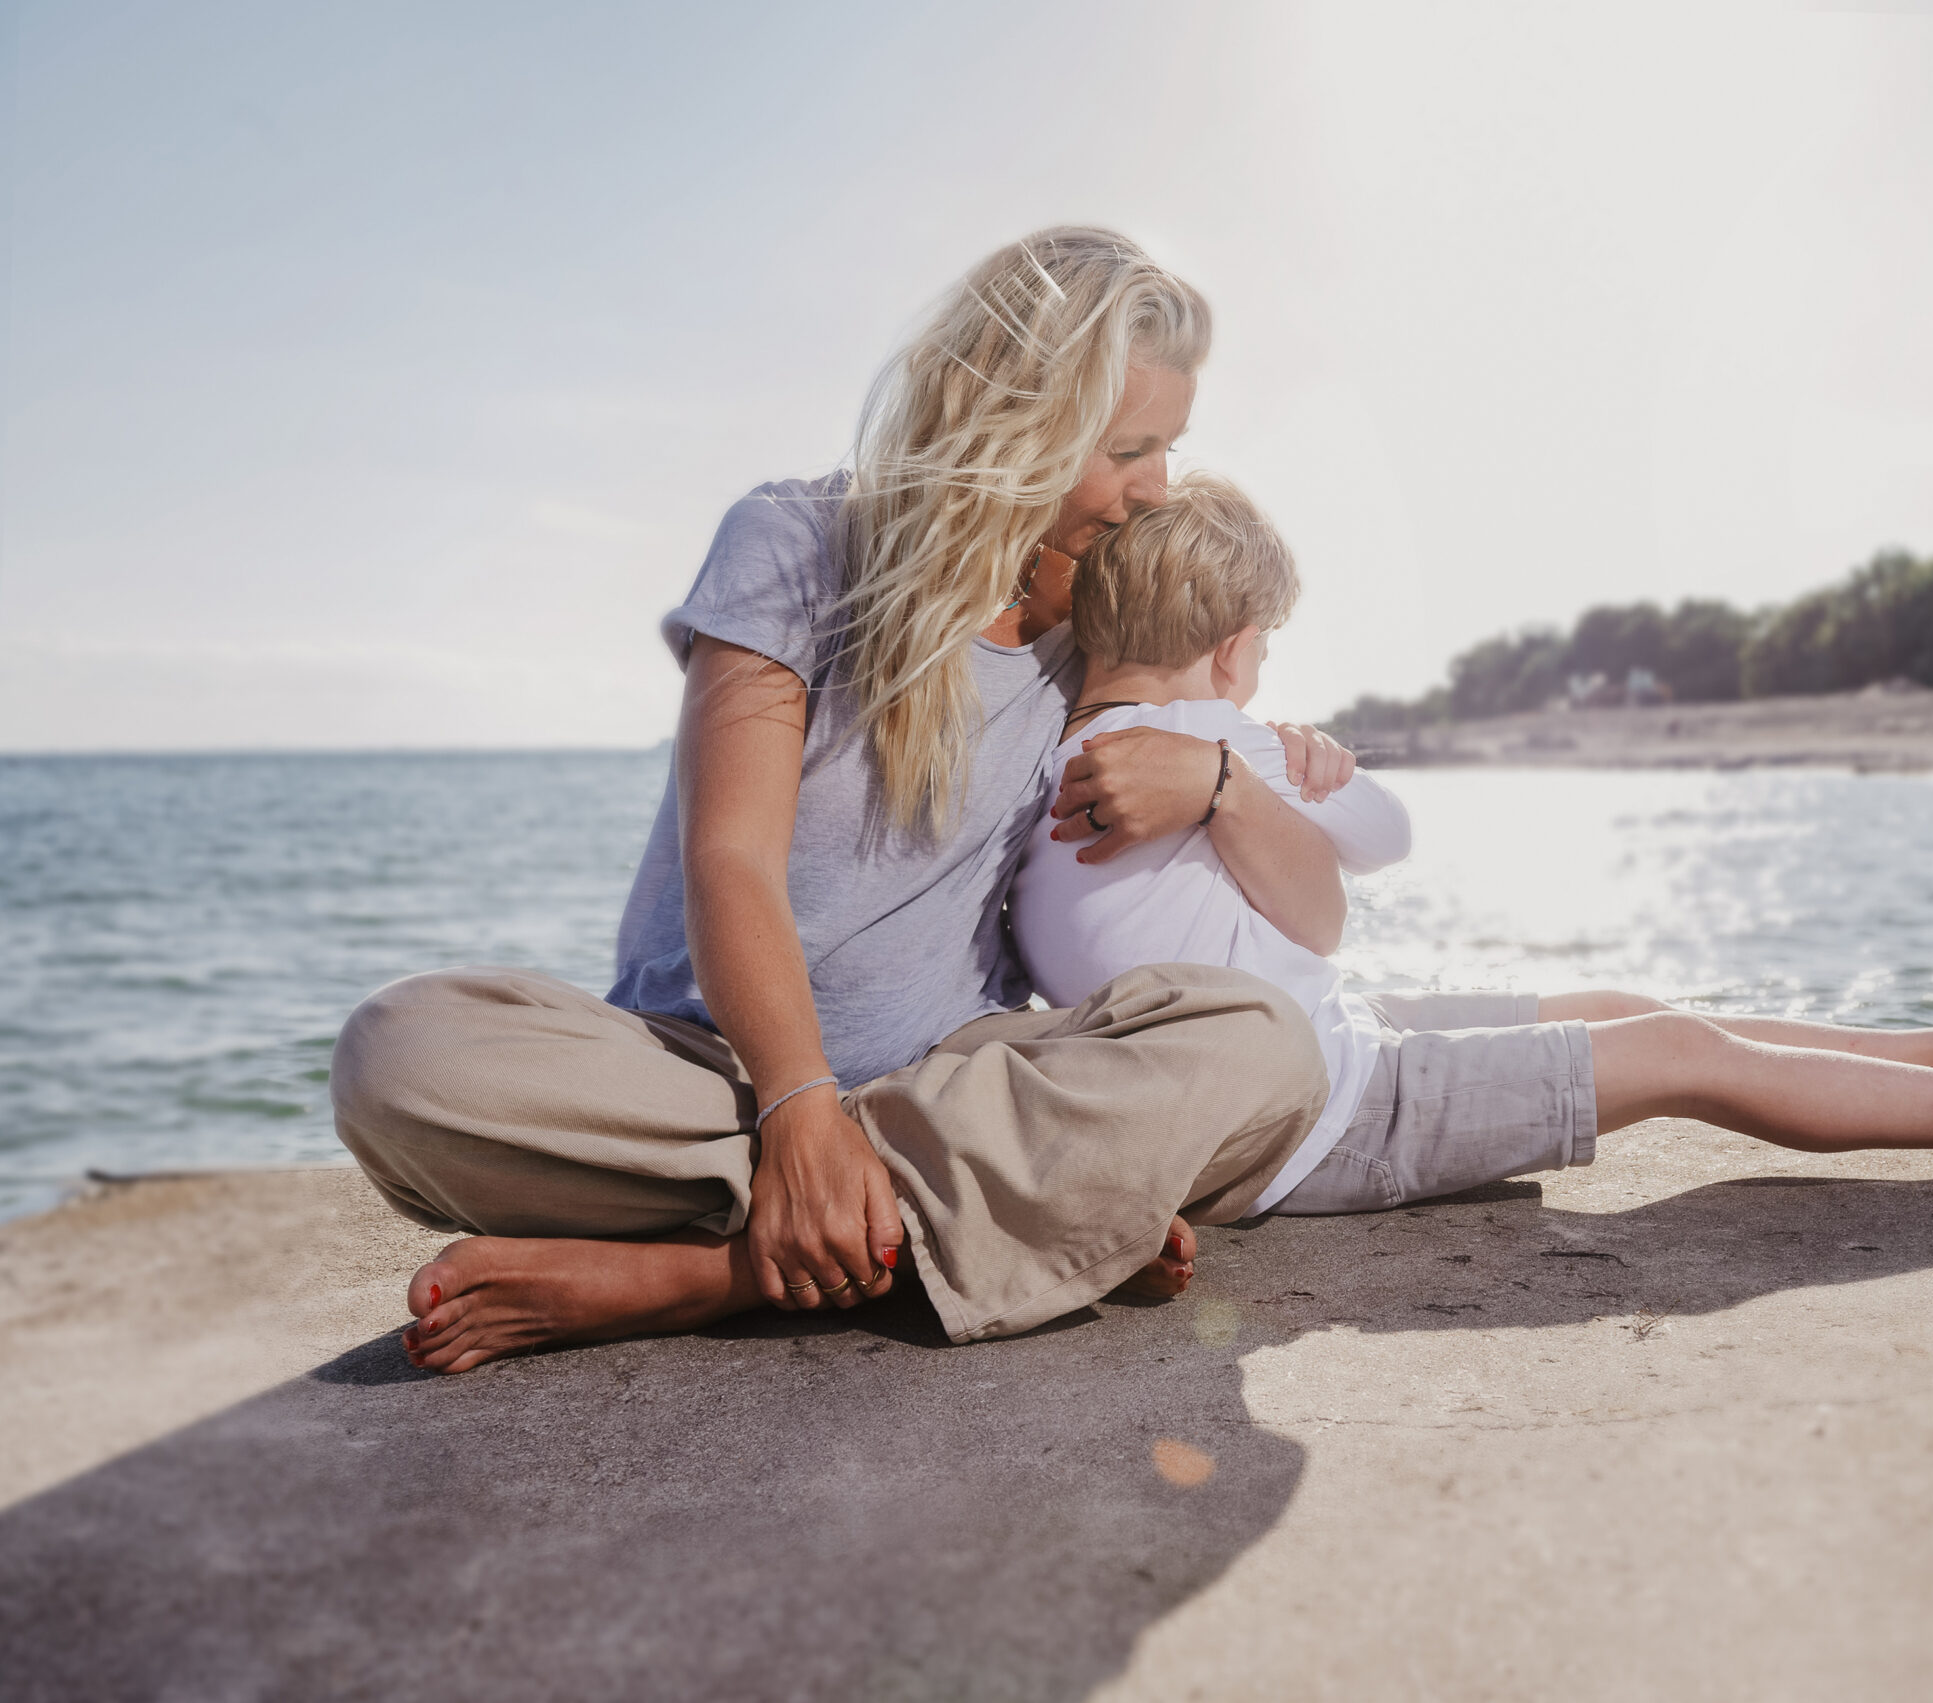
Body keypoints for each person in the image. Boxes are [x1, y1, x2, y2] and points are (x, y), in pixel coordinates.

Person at [332, 229, 1365, 1373]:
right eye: (1127, 449)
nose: (1153, 489)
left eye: (1168, 448)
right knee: (399, 1055)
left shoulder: (1099, 624)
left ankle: (697, 1275)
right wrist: (798, 1108)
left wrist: (1249, 765)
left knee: (1263, 1043)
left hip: (955, 1076)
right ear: (1006, 424)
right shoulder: (796, 543)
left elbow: (1209, 697)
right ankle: (989, 1222)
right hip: (709, 1074)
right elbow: (730, 856)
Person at [1006, 471, 1933, 1247]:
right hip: (1327, 1112)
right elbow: (1383, 844)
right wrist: (1310, 767)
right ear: (1228, 649)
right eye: (1265, 649)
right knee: (1678, 1049)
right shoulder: (1215, 742)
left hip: (1291, 1069)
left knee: (1630, 1006)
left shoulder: (1066, 762)